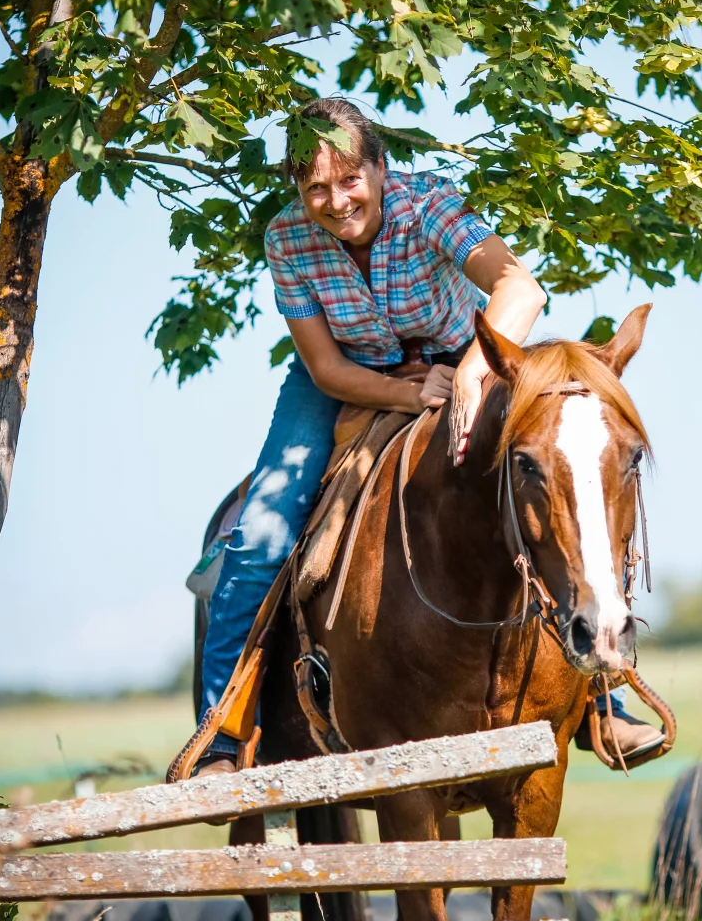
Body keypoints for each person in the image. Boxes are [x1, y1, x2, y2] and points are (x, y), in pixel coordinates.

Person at [196, 98, 662, 776]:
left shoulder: (429, 205)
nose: (336, 201)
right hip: (347, 381)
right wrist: (406, 392)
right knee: (262, 529)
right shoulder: (286, 239)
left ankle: (601, 700)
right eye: (316, 188)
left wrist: (470, 372)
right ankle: (222, 735)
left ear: (380, 170)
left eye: (350, 179)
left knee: (558, 483)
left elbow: (519, 290)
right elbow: (325, 365)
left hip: (464, 358)